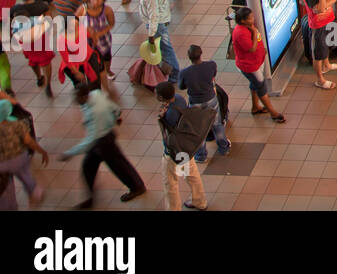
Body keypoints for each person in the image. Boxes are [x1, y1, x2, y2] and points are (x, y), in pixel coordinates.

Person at [61, 83, 146, 209]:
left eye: (77, 97)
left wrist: (70, 153)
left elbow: (91, 139)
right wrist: (116, 116)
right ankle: (90, 198)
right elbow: (114, 107)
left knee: (119, 166)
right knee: (90, 166)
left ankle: (137, 187)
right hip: (103, 139)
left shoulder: (96, 112)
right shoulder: (96, 94)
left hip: (103, 141)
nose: (75, 100)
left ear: (84, 96)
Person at [0, 99, 48, 210]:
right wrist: (41, 151)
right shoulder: (18, 125)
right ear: (8, 112)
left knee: (5, 188)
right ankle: (35, 192)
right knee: (26, 175)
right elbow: (29, 142)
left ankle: (9, 207)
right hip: (19, 160)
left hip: (0, 166)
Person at [156, 82, 208, 211]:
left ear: (161, 98)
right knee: (190, 173)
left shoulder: (170, 114)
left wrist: (161, 118)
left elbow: (168, 133)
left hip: (173, 153)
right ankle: (199, 201)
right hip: (185, 149)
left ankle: (173, 209)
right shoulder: (179, 99)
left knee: (170, 182)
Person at [231, 7, 285, 122]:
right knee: (261, 87)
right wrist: (254, 32)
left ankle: (255, 107)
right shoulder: (241, 32)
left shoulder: (248, 27)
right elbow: (251, 48)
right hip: (250, 66)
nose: (253, 19)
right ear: (243, 21)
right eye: (251, 18)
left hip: (257, 62)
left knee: (254, 84)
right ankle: (273, 113)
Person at [179, 44, 230, 162]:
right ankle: (224, 148)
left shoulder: (185, 73)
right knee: (217, 124)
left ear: (189, 57)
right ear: (201, 53)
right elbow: (213, 75)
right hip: (211, 99)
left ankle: (201, 156)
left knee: (199, 129)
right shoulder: (211, 65)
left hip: (195, 103)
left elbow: (181, 86)